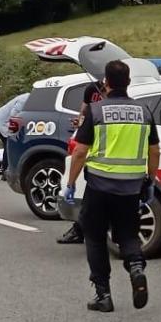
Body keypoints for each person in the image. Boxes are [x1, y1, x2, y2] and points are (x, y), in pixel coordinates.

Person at [66, 60, 159, 312]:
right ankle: (136, 267)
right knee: (127, 235)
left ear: (105, 83)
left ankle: (103, 295)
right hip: (131, 188)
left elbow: (80, 151)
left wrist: (71, 183)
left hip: (99, 186)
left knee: (95, 237)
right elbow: (154, 150)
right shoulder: (144, 112)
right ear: (128, 82)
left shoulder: (96, 111)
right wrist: (150, 179)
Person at [55, 81, 106, 245]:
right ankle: (80, 230)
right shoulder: (92, 89)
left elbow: (80, 152)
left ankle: (83, 231)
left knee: (92, 200)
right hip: (96, 150)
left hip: (103, 157)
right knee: (90, 198)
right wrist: (80, 122)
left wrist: (70, 183)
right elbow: (83, 111)